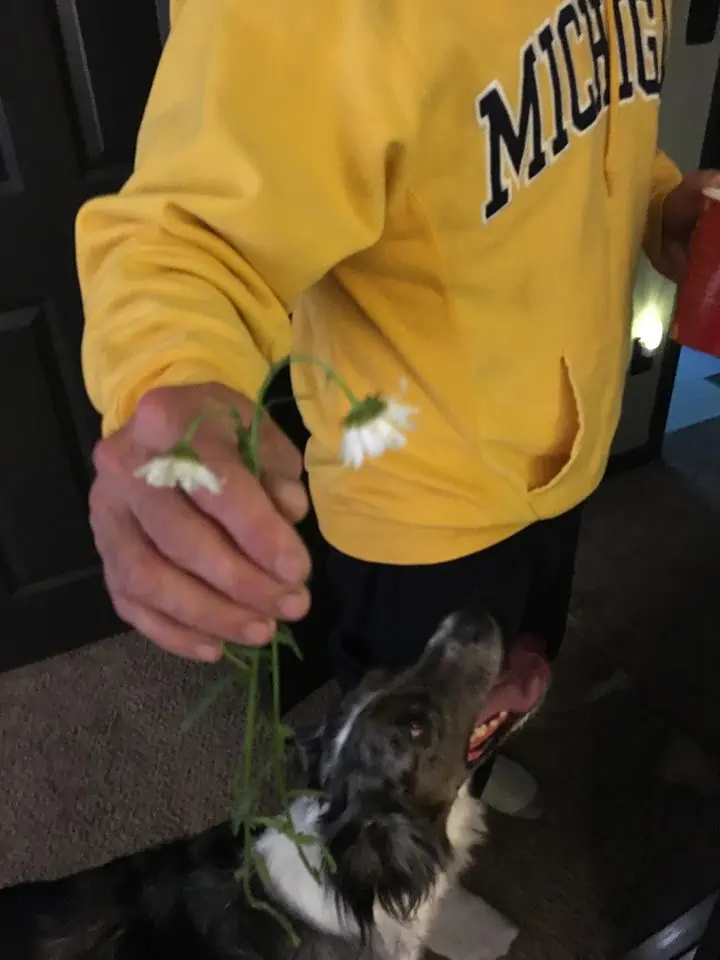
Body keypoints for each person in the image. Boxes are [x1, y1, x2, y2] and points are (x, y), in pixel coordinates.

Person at [77, 0, 717, 813]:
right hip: (418, 496)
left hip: (563, 445)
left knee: (510, 672)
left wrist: (662, 202)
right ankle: (405, 877)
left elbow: (587, 108)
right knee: (392, 759)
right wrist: (168, 374)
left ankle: (470, 778)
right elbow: (187, 233)